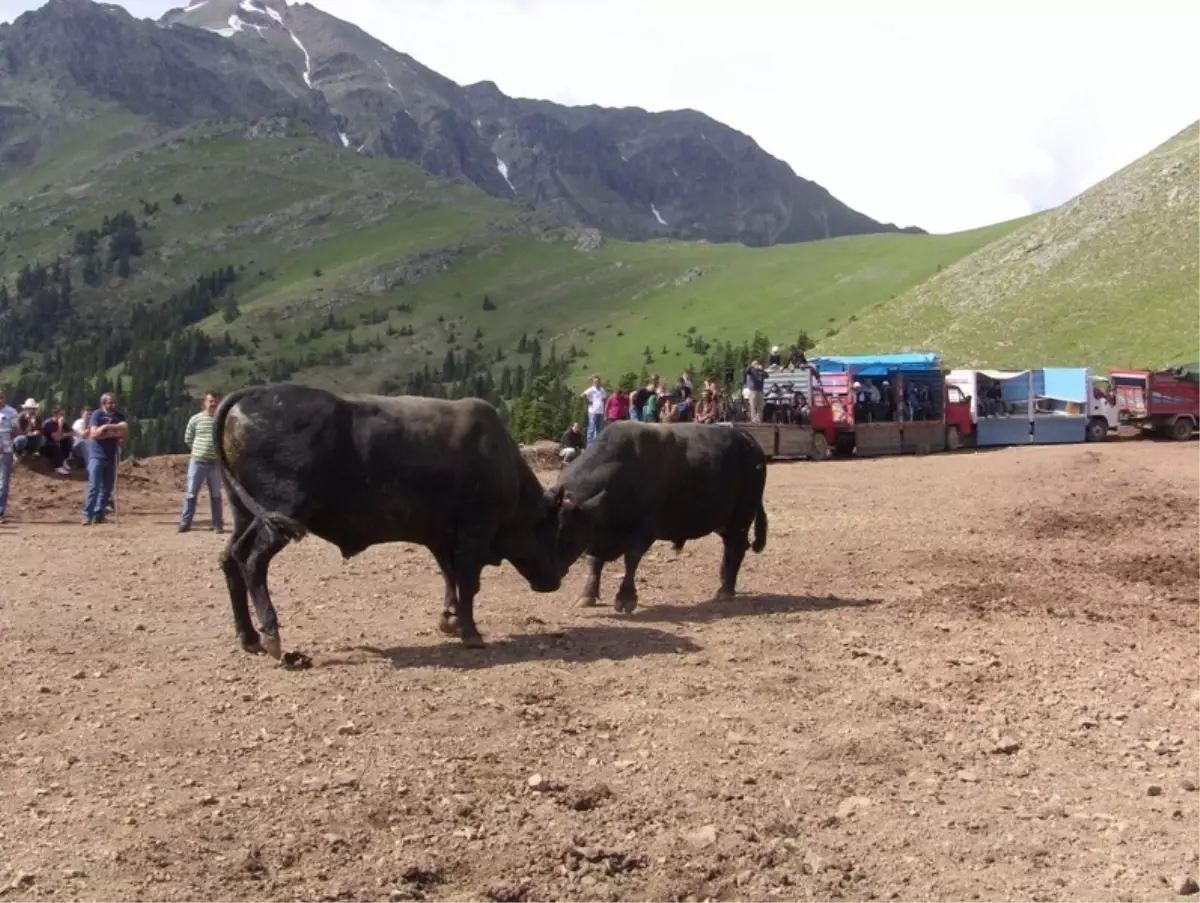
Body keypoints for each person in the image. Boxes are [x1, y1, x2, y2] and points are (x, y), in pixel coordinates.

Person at [179, 391, 224, 534]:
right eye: (210, 401)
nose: (213, 404)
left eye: (216, 401)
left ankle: (217, 525)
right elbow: (188, 438)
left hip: (216, 463)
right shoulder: (195, 419)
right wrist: (199, 450)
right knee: (191, 493)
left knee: (216, 494)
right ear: (204, 403)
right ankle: (185, 523)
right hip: (197, 461)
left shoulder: (222, 420)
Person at [82, 392, 128, 526]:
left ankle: (99, 514)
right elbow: (94, 434)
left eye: (114, 402)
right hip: (97, 455)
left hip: (112, 455)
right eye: (110, 402)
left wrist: (106, 428)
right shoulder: (97, 414)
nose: (113, 405)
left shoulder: (119, 416)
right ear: (104, 403)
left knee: (106, 488)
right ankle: (87, 514)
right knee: (94, 486)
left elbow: (125, 432)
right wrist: (114, 432)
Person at [0, 388, 17, 525]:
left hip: (5, 451)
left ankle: (0, 512)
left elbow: (16, 431)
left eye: (1, 397)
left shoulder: (11, 412)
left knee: (3, 483)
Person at [581, 374, 607, 446]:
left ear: (599, 382)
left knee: (599, 428)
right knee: (592, 427)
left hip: (600, 411)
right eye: (595, 382)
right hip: (593, 411)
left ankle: (597, 444)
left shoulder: (602, 389)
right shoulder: (591, 389)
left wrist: (604, 409)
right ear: (593, 382)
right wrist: (588, 402)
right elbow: (582, 395)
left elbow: (604, 398)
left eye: (597, 381)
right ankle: (589, 444)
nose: (596, 383)